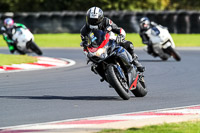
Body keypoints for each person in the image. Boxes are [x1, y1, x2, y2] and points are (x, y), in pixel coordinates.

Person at [80, 7, 145, 72]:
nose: (93, 22)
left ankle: (135, 61)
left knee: (128, 44)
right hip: (98, 47)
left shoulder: (106, 21)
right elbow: (84, 42)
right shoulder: (85, 29)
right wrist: (85, 45)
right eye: (91, 20)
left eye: (95, 20)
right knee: (94, 67)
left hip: (110, 40)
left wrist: (121, 35)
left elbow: (118, 29)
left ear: (100, 18)